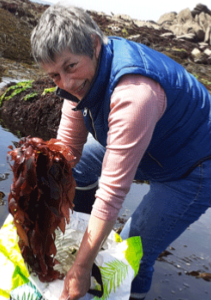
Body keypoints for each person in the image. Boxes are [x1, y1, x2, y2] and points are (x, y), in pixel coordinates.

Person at [31, 4, 211, 300]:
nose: (67, 84)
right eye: (54, 76)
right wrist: (41, 219)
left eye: (71, 66)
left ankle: (129, 292)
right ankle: (83, 232)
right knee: (78, 168)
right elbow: (66, 154)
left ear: (93, 44)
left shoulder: (134, 94)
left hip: (194, 165)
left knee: (131, 251)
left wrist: (81, 268)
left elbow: (113, 193)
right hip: (152, 145)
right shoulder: (76, 86)